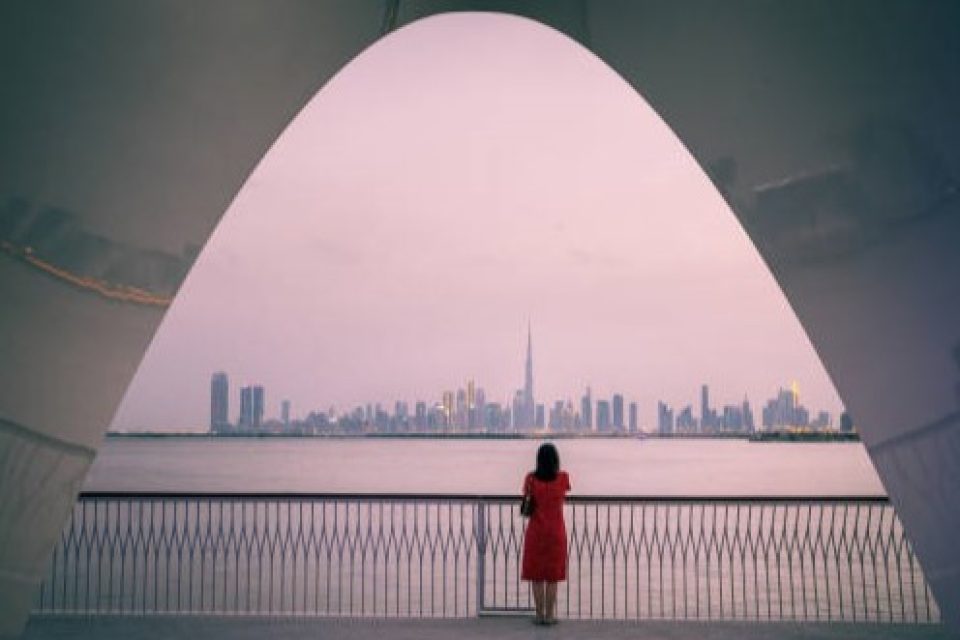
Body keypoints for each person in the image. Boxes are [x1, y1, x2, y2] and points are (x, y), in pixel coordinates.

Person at [520, 442, 571, 625]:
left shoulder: (531, 479)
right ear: (556, 459)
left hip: (536, 533)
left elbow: (526, 500)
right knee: (552, 577)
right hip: (556, 534)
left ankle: (539, 615)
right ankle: (550, 616)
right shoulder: (563, 478)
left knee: (537, 576)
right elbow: (565, 491)